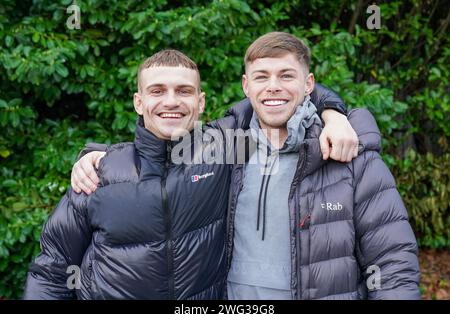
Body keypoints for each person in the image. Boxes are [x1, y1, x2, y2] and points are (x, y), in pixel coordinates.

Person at [24, 47, 357, 299]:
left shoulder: (224, 150)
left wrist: (334, 114)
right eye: (157, 91)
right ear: (139, 102)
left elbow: (277, 95)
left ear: (200, 102)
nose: (171, 101)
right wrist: (90, 154)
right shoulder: (100, 173)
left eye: (183, 91)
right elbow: (51, 269)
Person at [224, 32, 420, 299]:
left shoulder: (351, 154)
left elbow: (393, 261)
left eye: (286, 75)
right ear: (246, 86)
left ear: (309, 85)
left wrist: (334, 115)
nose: (273, 86)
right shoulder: (224, 154)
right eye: (261, 76)